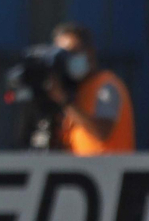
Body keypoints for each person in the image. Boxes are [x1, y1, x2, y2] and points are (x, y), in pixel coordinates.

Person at [48, 22, 135, 154]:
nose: (67, 59)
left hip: (109, 171)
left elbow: (101, 132)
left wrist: (65, 102)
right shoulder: (77, 90)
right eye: (63, 54)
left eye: (73, 52)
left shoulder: (106, 86)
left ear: (89, 52)